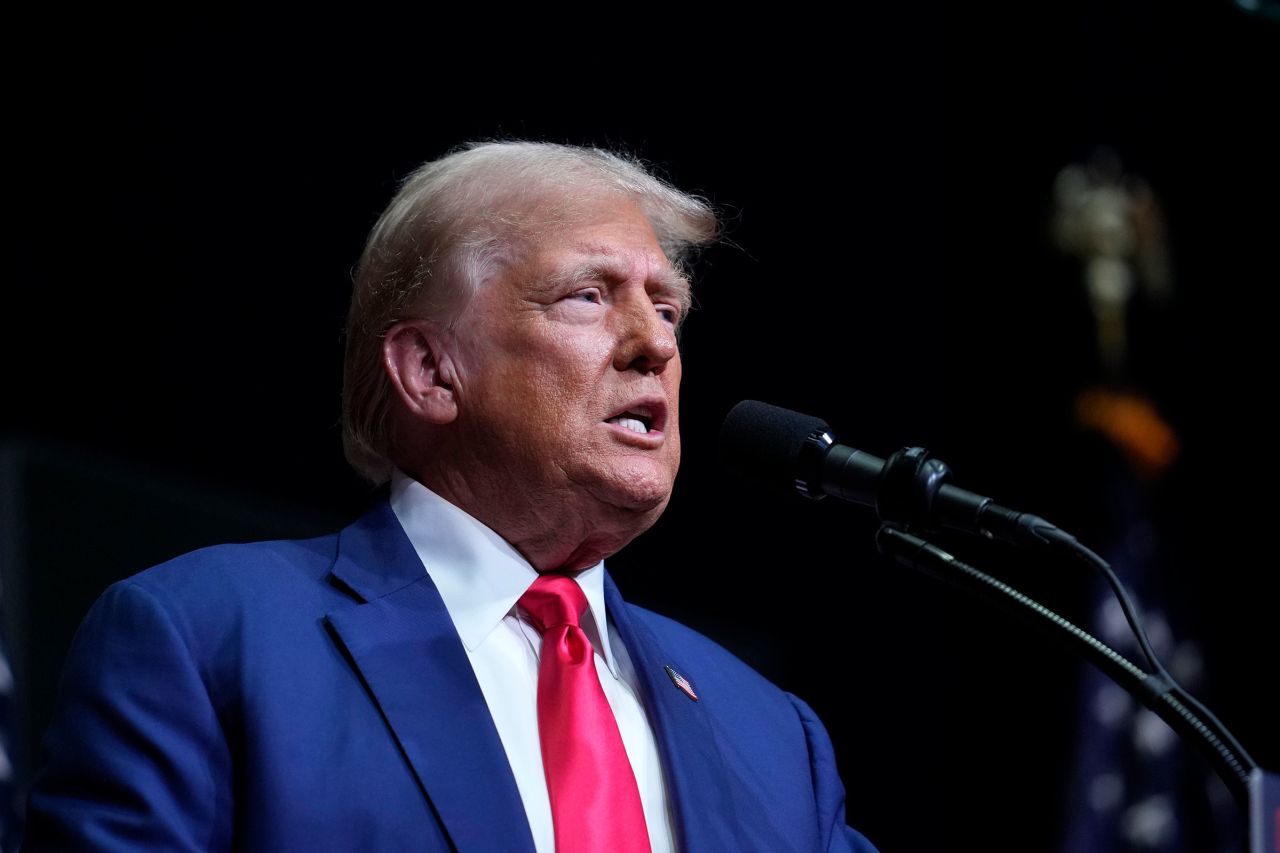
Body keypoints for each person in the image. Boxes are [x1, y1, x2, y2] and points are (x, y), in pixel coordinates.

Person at [23, 141, 879, 852]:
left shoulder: (773, 738)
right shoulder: (207, 639)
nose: (653, 343)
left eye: (668, 309)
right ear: (431, 371)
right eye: (589, 295)